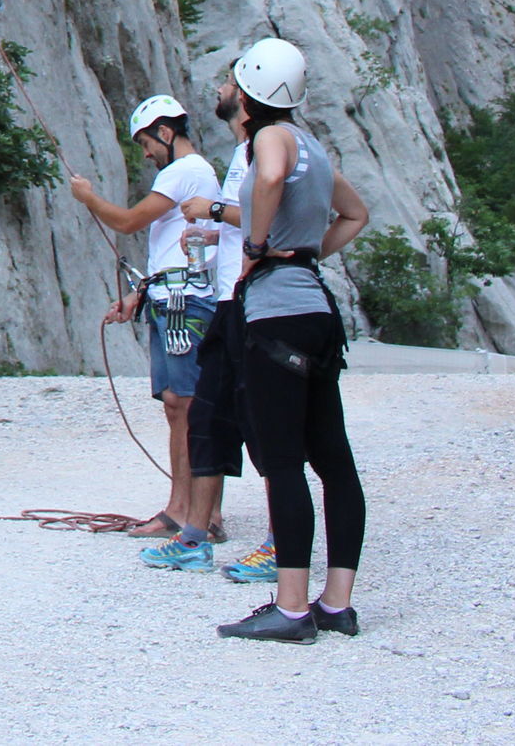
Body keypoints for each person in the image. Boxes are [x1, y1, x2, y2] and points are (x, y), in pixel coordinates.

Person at [212, 36, 372, 643]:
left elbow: (270, 173)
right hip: (316, 311)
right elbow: (355, 215)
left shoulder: (270, 138)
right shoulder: (316, 147)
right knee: (334, 461)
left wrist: (255, 250)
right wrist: (305, 256)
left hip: (276, 316)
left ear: (249, 90)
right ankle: (336, 603)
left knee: (282, 462)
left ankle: (293, 607)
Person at [68, 95, 226, 570]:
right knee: (184, 406)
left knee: (184, 406)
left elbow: (130, 221)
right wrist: (138, 296)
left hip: (183, 301)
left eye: (145, 143)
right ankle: (205, 510)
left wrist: (89, 197)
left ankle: (185, 511)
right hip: (175, 294)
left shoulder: (182, 172)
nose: (145, 154)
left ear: (163, 131)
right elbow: (173, 250)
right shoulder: (195, 173)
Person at [178, 113, 270, 584]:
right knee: (208, 416)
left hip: (252, 301)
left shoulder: (268, 146)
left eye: (230, 81)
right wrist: (211, 233)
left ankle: (280, 542)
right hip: (226, 300)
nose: (220, 89)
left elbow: (266, 219)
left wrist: (211, 212)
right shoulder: (242, 152)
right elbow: (243, 224)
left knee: (262, 421)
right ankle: (196, 535)